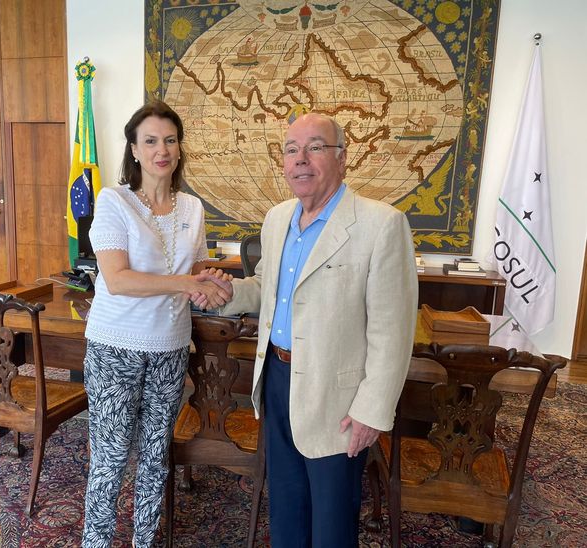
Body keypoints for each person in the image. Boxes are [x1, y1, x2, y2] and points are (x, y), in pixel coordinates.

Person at [201, 113, 418, 547]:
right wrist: (226, 293)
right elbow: (266, 288)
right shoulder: (277, 218)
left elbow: (392, 331)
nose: (301, 159)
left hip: (337, 397)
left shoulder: (382, 224)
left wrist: (372, 410)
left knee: (331, 525)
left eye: (315, 147)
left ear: (341, 157)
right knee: (286, 509)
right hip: (276, 381)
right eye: (291, 149)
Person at [82, 101, 231, 548]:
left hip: (170, 348)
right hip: (115, 348)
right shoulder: (114, 201)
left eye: (169, 140)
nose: (161, 150)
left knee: (154, 459)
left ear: (179, 148)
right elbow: (117, 279)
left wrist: (212, 282)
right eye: (150, 141)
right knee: (110, 460)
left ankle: (143, 542)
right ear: (134, 149)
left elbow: (196, 269)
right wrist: (186, 283)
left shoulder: (193, 207)